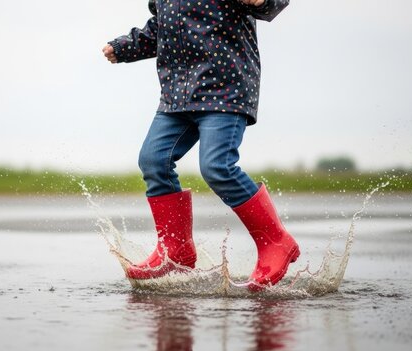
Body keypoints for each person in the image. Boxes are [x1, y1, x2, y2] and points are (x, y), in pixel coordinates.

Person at [102, 0, 299, 291]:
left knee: (217, 166)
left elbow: (269, 4)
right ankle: (175, 249)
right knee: (153, 160)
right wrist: (124, 47)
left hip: (225, 91)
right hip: (177, 96)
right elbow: (161, 29)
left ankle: (275, 241)